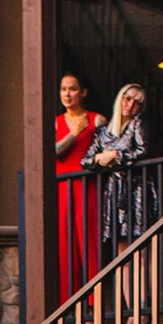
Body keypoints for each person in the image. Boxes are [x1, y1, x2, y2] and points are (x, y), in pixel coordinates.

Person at [81, 82, 159, 256]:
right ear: (120, 99)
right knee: (122, 252)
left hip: (138, 191)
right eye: (128, 98)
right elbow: (85, 161)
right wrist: (99, 159)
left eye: (137, 102)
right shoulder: (102, 132)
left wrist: (115, 156)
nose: (131, 105)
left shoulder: (138, 124)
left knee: (143, 251)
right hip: (114, 193)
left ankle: (145, 284)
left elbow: (144, 151)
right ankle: (123, 285)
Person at [55, 71, 104, 306]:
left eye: (73, 88)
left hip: (88, 187)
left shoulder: (97, 120)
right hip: (62, 188)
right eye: (64, 89)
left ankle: (96, 303)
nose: (67, 93)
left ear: (83, 92)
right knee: (65, 247)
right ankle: (69, 305)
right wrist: (75, 133)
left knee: (90, 243)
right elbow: (53, 152)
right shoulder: (55, 122)